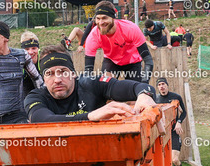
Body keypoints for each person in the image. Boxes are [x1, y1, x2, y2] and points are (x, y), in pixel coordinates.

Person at [24, 45, 156, 123]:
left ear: (73, 74)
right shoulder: (35, 97)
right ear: (43, 78)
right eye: (50, 73)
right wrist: (90, 116)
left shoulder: (91, 83)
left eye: (63, 72)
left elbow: (139, 87)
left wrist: (145, 95)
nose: (57, 79)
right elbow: (42, 119)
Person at [84, 1, 154, 83]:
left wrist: (144, 82)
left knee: (134, 88)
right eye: (98, 18)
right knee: (105, 84)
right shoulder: (93, 36)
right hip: (111, 60)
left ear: (113, 18)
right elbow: (88, 71)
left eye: (104, 18)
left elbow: (148, 60)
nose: (101, 23)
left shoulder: (130, 29)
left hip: (133, 61)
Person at [156, 78, 187, 166]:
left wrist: (179, 122)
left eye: (163, 84)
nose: (161, 86)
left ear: (167, 85)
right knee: (160, 161)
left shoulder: (176, 97)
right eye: (159, 85)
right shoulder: (155, 99)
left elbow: (184, 112)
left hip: (173, 132)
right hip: (160, 133)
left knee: (174, 160)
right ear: (158, 87)